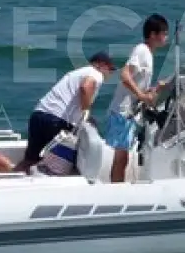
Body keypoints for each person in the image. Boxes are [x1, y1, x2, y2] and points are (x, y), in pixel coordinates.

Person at [16, 52, 116, 173]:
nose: (110, 73)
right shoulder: (96, 73)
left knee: (30, 159)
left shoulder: (76, 73)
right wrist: (86, 110)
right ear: (101, 65)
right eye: (111, 69)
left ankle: (12, 175)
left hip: (39, 114)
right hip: (57, 120)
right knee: (58, 167)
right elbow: (85, 87)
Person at [105, 14, 171, 184]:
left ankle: (116, 187)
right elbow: (125, 75)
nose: (166, 37)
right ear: (153, 34)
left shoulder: (148, 54)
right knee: (121, 157)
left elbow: (139, 87)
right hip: (123, 111)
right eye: (164, 33)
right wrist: (142, 95)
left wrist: (156, 89)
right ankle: (116, 190)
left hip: (130, 112)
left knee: (123, 156)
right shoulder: (141, 50)